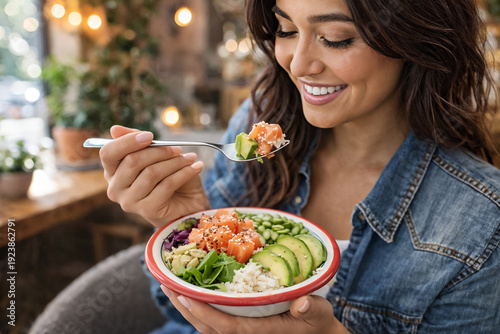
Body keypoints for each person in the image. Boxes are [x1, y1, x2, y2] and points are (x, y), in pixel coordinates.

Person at [98, 0, 500, 332]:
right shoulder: (258, 124)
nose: (299, 63)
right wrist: (189, 230)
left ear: (415, 40)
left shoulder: (479, 223)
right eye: (286, 30)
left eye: (335, 39)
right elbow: (177, 315)